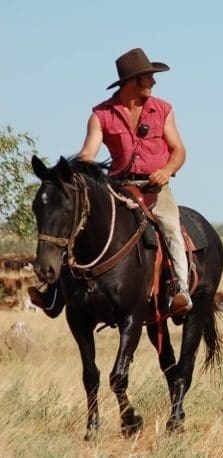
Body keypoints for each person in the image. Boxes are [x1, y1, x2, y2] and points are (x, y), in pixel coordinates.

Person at [29, 48, 192, 317]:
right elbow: (87, 154)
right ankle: (55, 292)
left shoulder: (163, 110)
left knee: (171, 227)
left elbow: (179, 150)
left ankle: (181, 291)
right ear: (132, 81)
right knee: (79, 226)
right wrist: (78, 172)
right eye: (149, 77)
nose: (153, 82)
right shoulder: (101, 115)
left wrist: (166, 170)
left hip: (155, 188)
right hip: (117, 187)